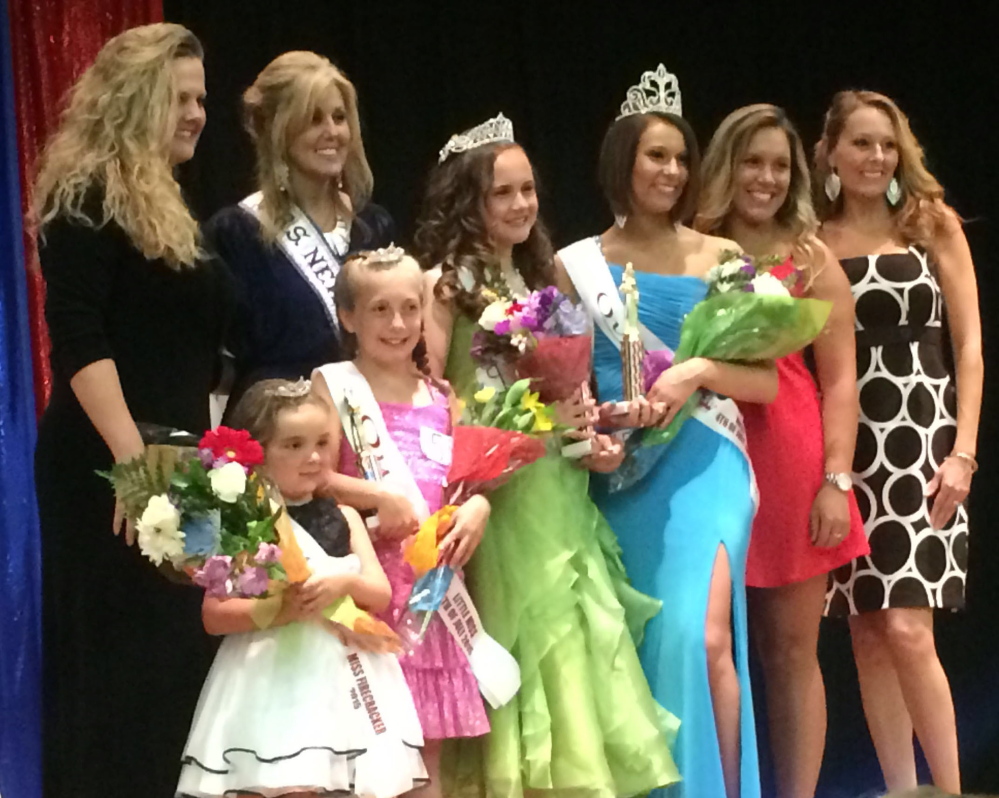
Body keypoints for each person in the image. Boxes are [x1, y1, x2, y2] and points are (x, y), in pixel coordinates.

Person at [418, 113, 680, 798]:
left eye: (527, 190)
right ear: (468, 201)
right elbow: (435, 397)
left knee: (574, 626)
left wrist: (586, 430)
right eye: (501, 192)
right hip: (496, 490)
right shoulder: (441, 284)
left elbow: (569, 383)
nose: (519, 205)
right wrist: (512, 433)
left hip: (557, 483)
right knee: (522, 630)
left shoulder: (540, 279)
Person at [559, 65, 777, 798]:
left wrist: (691, 375)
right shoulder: (574, 268)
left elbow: (764, 381)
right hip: (620, 471)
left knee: (699, 634)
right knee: (642, 642)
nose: (673, 171)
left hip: (706, 459)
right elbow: (564, 389)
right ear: (623, 159)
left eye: (681, 158)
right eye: (657, 155)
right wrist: (595, 425)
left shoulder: (722, 260)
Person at [32, 23, 233, 798]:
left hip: (179, 461)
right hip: (112, 466)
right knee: (118, 674)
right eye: (178, 97)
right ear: (135, 99)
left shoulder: (174, 204)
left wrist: (200, 461)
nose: (195, 114)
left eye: (201, 99)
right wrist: (133, 466)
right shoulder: (83, 196)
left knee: (183, 663)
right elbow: (80, 340)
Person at [695, 103, 870, 798]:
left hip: (793, 463)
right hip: (705, 458)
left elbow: (839, 380)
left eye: (777, 165)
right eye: (751, 162)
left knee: (789, 651)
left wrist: (836, 478)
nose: (764, 178)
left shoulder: (809, 258)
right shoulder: (694, 245)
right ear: (724, 167)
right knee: (707, 648)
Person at [816, 90, 982, 794]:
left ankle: (947, 788)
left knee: (910, 629)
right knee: (866, 631)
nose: (873, 156)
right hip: (847, 449)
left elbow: (969, 345)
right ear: (829, 153)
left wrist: (963, 452)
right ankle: (900, 788)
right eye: (859, 142)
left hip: (920, 442)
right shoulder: (813, 241)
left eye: (884, 144)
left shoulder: (930, 225)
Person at [176, 378, 427, 798]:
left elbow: (378, 593)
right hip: (269, 680)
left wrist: (343, 582)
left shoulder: (344, 517)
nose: (313, 457)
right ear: (257, 453)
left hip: (342, 676)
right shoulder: (247, 524)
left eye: (322, 443)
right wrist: (280, 609)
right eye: (293, 445)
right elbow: (213, 615)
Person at [309, 248, 492, 798]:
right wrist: (373, 496)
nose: (397, 324)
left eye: (410, 309)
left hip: (431, 598)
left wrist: (478, 507)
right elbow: (307, 476)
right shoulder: (331, 385)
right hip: (367, 591)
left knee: (423, 757)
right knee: (361, 754)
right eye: (380, 309)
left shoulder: (441, 396)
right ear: (348, 317)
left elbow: (467, 479)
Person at [207, 51, 395, 414]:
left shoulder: (373, 227)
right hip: (278, 432)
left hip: (370, 430)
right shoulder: (236, 233)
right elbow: (217, 363)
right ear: (277, 130)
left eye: (339, 117)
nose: (332, 132)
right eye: (313, 119)